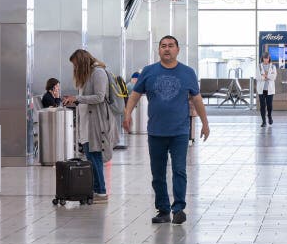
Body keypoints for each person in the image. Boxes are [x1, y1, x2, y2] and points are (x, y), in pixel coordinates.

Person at [123, 36, 210, 225]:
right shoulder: (148, 71)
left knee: (179, 170)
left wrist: (205, 123)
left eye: (171, 46)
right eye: (163, 46)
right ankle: (163, 209)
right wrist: (127, 114)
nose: (167, 49)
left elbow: (197, 99)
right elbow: (135, 95)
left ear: (178, 50)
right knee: (158, 173)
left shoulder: (187, 72)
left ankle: (178, 208)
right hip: (156, 132)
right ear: (158, 50)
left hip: (179, 131)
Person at [63, 49, 117, 202]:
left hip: (96, 122)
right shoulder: (86, 75)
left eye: (76, 65)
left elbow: (100, 97)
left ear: (82, 62)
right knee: (90, 157)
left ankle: (101, 192)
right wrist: (75, 100)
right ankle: (94, 189)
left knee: (95, 157)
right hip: (86, 123)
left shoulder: (98, 73)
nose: (75, 69)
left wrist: (78, 98)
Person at [257, 53, 277, 127]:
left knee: (269, 105)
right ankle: (264, 121)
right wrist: (265, 77)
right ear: (262, 58)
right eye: (264, 58)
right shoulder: (259, 66)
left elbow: (274, 77)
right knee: (262, 106)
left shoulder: (273, 66)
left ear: (269, 58)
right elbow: (258, 77)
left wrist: (265, 75)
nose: (266, 60)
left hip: (270, 89)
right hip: (261, 89)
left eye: (267, 58)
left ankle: (269, 116)